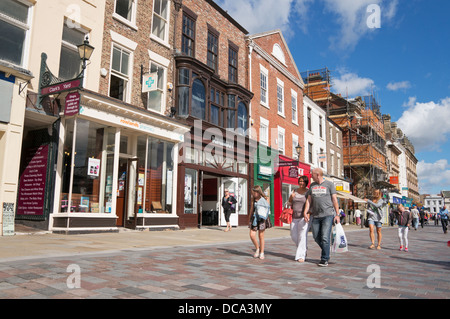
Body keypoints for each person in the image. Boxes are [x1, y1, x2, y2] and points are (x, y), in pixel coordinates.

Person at [303, 168, 340, 267]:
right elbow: (308, 200)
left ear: (318, 175)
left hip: (327, 215)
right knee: (316, 236)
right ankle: (326, 249)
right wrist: (305, 212)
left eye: (312, 175)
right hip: (315, 215)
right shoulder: (312, 186)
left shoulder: (329, 184)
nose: (311, 176)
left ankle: (324, 258)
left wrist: (337, 214)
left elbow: (334, 200)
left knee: (324, 237)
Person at [288, 175, 309, 263]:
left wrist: (308, 214)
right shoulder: (295, 191)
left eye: (303, 181)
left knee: (302, 236)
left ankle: (301, 256)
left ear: (306, 183)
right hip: (294, 217)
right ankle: (303, 249)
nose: (301, 183)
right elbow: (289, 203)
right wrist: (291, 197)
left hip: (303, 217)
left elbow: (310, 204)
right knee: (293, 236)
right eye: (300, 181)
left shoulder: (308, 192)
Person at [249, 185, 271, 260]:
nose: (253, 194)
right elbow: (252, 209)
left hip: (262, 218)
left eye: (254, 192)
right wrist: (249, 218)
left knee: (261, 236)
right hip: (254, 218)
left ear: (258, 192)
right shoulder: (253, 199)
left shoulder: (265, 199)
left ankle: (262, 252)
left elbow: (267, 209)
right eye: (252, 192)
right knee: (252, 235)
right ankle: (257, 248)